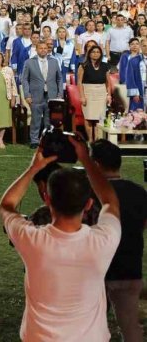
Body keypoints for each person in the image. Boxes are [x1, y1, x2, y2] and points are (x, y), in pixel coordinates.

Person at [0, 135, 121, 342]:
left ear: (47, 199)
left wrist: (34, 168)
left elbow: (6, 205)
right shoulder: (104, 241)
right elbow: (110, 201)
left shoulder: (32, 240)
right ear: (89, 204)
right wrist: (85, 159)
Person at [90, 141, 147, 342]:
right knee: (131, 328)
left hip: (99, 273)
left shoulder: (91, 193)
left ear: (96, 164)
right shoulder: (138, 191)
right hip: (131, 268)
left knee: (90, 329)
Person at [77, 44, 111, 142]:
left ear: (101, 54)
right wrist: (82, 96)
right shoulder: (83, 65)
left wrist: (109, 95)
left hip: (101, 93)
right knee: (88, 118)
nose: (96, 54)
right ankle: (90, 140)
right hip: (88, 92)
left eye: (98, 52)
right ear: (89, 53)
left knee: (99, 118)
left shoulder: (105, 66)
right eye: (93, 52)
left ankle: (97, 140)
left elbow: (108, 83)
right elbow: (79, 82)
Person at [124, 38, 146, 112]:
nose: (146, 48)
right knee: (138, 115)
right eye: (144, 46)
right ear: (140, 47)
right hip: (140, 91)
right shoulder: (133, 60)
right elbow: (130, 78)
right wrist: (134, 93)